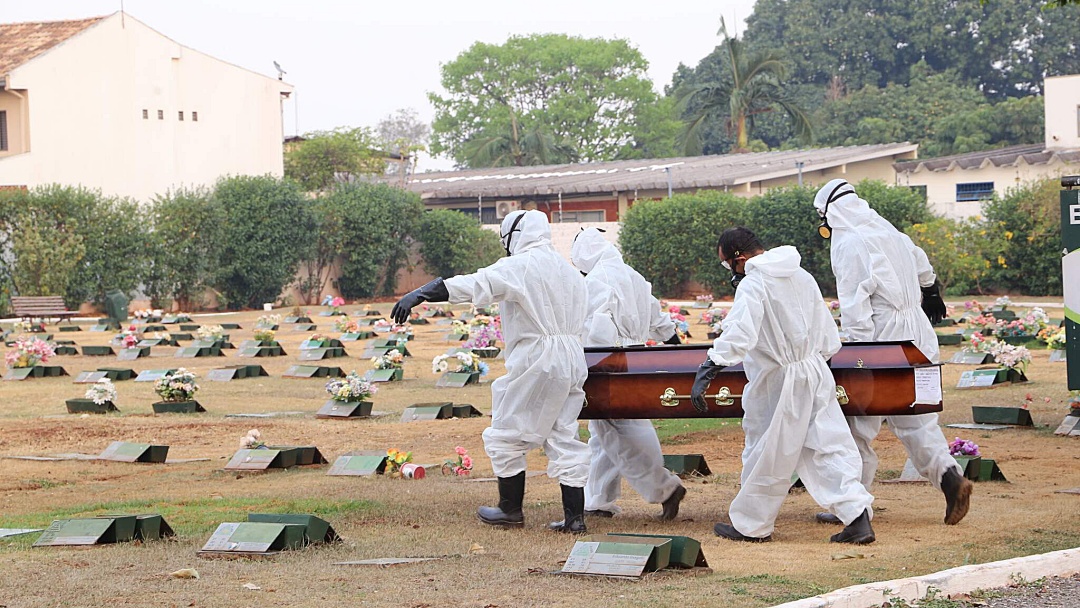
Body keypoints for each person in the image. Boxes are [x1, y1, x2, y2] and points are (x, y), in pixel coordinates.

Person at [391, 209, 591, 533]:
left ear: (515, 236)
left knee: (506, 431)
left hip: (537, 357)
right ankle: (575, 518)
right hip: (571, 356)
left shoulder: (522, 265)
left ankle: (509, 510)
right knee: (563, 433)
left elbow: (475, 284)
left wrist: (420, 293)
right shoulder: (568, 271)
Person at [692, 227, 875, 544]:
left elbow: (740, 332)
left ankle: (752, 525)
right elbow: (826, 330)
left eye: (726, 263)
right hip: (814, 369)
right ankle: (858, 519)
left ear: (740, 258)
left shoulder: (754, 284)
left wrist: (711, 365)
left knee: (766, 450)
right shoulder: (801, 275)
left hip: (779, 379)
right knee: (828, 445)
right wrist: (819, 365)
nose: (728, 271)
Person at [813, 179, 972, 526]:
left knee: (857, 422)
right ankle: (950, 477)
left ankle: (855, 506)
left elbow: (856, 304)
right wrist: (930, 291)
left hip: (882, 337)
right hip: (918, 336)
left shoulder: (848, 242)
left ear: (830, 213)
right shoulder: (887, 230)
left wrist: (857, 356)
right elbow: (922, 263)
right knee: (917, 419)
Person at [554, 227, 686, 526]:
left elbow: (595, 327)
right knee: (604, 432)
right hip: (636, 358)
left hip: (609, 360)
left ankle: (665, 488)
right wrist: (677, 348)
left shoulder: (598, 279)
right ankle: (599, 498)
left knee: (619, 429)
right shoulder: (634, 276)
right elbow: (659, 320)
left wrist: (583, 362)